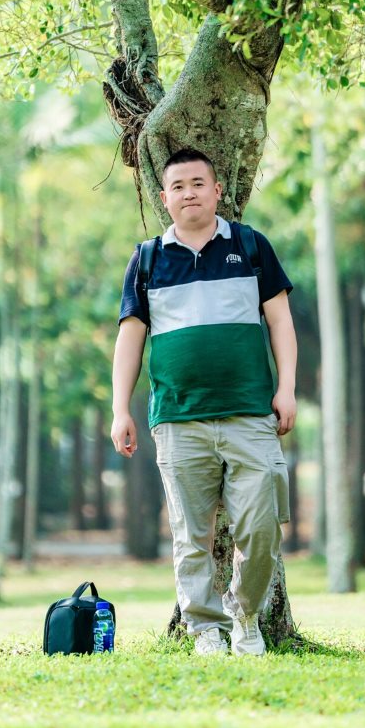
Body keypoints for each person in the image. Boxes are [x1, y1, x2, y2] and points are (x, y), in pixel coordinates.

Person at [111, 148, 297, 657]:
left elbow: (280, 321)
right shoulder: (148, 259)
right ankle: (204, 629)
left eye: (198, 183)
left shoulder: (250, 245)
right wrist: (120, 409)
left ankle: (246, 615)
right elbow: (130, 337)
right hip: (177, 417)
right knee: (190, 535)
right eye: (178, 186)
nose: (188, 193)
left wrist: (286, 388)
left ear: (217, 191)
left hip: (250, 413)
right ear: (164, 197)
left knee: (260, 526)